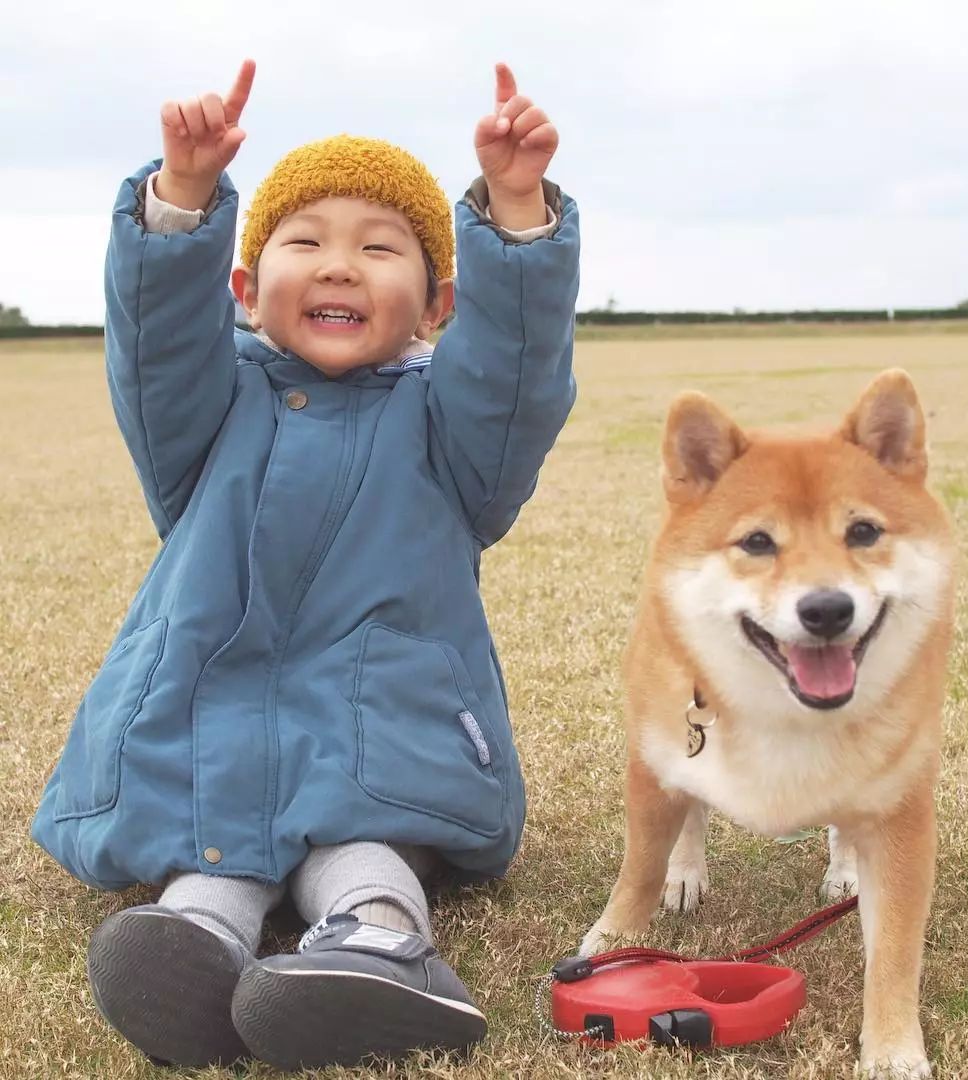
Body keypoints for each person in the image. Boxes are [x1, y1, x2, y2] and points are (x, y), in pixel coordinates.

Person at [31, 57, 578, 1071]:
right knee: (212, 851)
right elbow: (156, 345)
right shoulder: (202, 415)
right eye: (306, 241)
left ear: (435, 304)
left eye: (380, 248)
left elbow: (516, 372)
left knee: (361, 843)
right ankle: (194, 951)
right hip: (210, 714)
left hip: (385, 725)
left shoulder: (456, 435)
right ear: (244, 286)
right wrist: (183, 198)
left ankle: (380, 945)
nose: (339, 265)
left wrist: (515, 214)